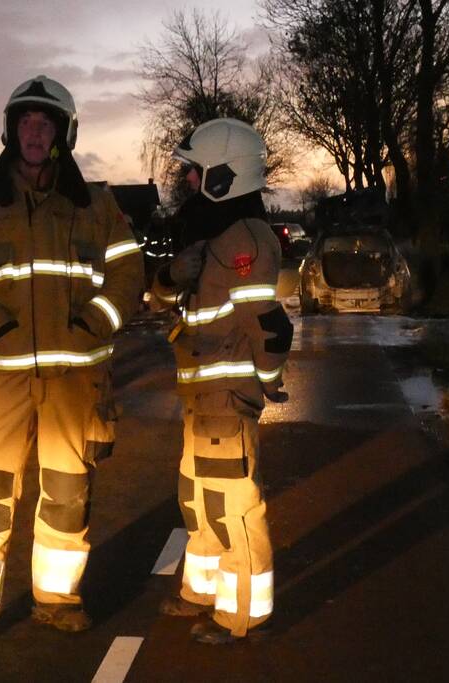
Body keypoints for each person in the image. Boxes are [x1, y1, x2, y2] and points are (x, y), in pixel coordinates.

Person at [0, 75, 143, 656]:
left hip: (77, 378)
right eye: (26, 122)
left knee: (67, 492)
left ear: (62, 134)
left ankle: (57, 600)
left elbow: (130, 274)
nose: (33, 132)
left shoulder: (97, 206)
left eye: (44, 123)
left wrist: (96, 321)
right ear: (10, 130)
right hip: (2, 376)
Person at [151, 118, 293, 644]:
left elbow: (270, 326)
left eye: (196, 171)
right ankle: (202, 589)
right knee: (196, 497)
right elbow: (162, 300)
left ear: (223, 176)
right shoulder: (208, 235)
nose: (188, 180)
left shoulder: (247, 239)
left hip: (226, 398)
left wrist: (269, 382)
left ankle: (243, 614)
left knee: (232, 506)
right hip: (199, 395)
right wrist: (171, 276)